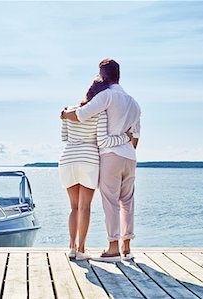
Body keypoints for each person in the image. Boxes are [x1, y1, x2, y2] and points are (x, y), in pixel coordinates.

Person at [62, 59, 141, 262]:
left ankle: (113, 248)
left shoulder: (107, 96)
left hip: (110, 154)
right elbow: (136, 137)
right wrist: (126, 144)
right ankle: (127, 248)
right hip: (130, 156)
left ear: (103, 75)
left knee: (110, 202)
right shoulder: (134, 102)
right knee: (127, 203)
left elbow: (80, 115)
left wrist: (64, 114)